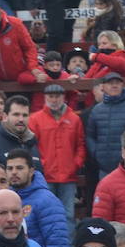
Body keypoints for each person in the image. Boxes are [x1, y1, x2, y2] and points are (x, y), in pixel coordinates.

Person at [27, 84, 85, 225]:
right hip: (45, 175)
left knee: (68, 214)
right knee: (45, 214)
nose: (54, 100)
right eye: (51, 96)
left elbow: (80, 145)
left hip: (68, 175)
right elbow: (31, 147)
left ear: (63, 97)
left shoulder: (74, 119)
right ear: (45, 98)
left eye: (57, 96)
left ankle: (68, 246)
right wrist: (40, 166)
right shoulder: (35, 119)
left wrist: (75, 164)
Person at [5, 149, 69, 247]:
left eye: (19, 168)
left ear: (31, 171)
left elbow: (58, 244)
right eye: (10, 168)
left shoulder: (47, 201)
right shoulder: (6, 198)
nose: (14, 172)